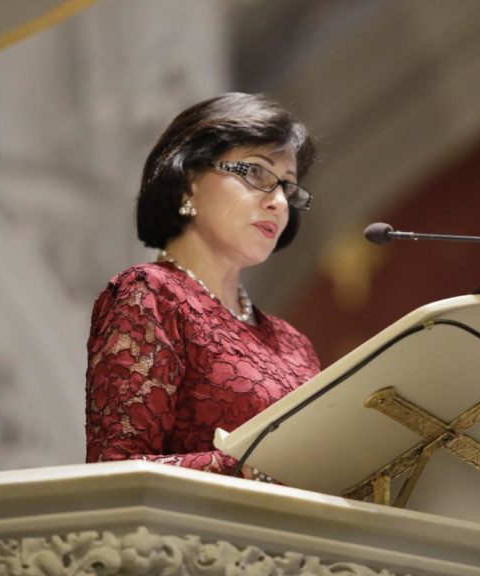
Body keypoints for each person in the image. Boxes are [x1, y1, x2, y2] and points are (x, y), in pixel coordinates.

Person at [85, 93, 320, 480]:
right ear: (190, 180)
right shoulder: (149, 295)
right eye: (257, 173)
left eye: (288, 187)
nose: (279, 201)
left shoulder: (294, 343)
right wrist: (248, 467)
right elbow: (116, 469)